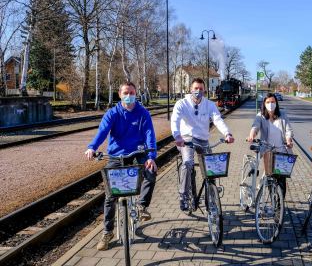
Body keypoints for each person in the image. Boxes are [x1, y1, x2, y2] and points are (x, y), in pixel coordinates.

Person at [85, 81, 158, 250]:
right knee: (110, 195)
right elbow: (102, 131)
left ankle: (142, 206)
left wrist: (151, 156)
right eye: (126, 92)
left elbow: (149, 134)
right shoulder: (113, 113)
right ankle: (107, 231)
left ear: (136, 93)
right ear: (120, 94)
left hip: (137, 152)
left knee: (150, 172)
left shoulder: (143, 113)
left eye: (132, 92)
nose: (129, 95)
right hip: (116, 155)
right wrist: (92, 147)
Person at [171, 77, 234, 212]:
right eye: (195, 88)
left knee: (211, 167)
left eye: (200, 89)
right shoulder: (181, 103)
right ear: (190, 89)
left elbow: (217, 119)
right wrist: (177, 136)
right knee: (188, 163)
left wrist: (227, 134)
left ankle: (210, 196)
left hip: (203, 140)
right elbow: (175, 120)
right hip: (186, 139)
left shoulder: (209, 104)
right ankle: (183, 195)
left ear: (204, 90)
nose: (198, 91)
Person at [247, 92, 294, 197]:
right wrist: (251, 135)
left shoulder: (282, 114)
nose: (270, 104)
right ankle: (273, 200)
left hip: (282, 150)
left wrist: (289, 140)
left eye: (273, 102)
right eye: (268, 102)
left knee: (281, 179)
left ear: (276, 103)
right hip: (268, 151)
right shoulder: (261, 116)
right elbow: (255, 126)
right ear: (264, 103)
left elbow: (288, 130)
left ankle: (279, 205)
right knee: (270, 176)